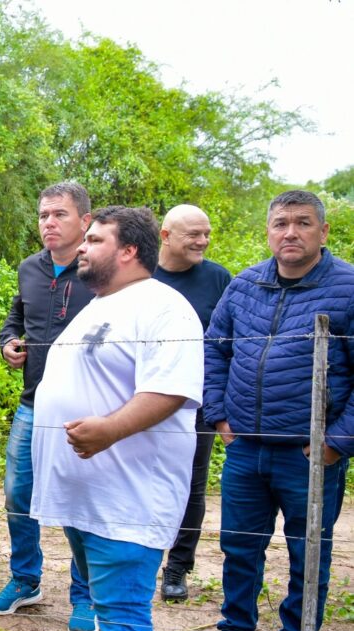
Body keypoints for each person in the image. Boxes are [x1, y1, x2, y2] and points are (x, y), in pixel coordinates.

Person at [32, 206, 203, 631]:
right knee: (108, 606)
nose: (82, 247)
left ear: (128, 250)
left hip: (128, 494)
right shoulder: (101, 305)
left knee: (125, 609)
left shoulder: (164, 308)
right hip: (85, 494)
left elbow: (170, 390)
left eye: (95, 239)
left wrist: (108, 430)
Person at [184, 190, 354, 631]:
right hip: (245, 450)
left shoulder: (348, 289)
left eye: (303, 223)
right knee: (239, 547)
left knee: (308, 556)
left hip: (309, 454)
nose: (291, 233)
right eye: (281, 223)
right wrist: (218, 415)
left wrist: (336, 442)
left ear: (323, 232)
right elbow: (214, 351)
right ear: (268, 231)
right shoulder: (245, 285)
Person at [0, 181, 98, 631]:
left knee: (78, 503)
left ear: (85, 221)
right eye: (43, 215)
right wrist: (7, 343)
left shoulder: (101, 271)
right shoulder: (29, 269)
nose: (49, 223)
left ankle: (86, 595)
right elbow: (16, 319)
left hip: (85, 409)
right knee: (18, 495)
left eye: (59, 214)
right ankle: (25, 580)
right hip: (33, 402)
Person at [152, 205, 231, 601]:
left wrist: (220, 405)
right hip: (140, 399)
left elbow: (227, 347)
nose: (202, 241)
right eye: (192, 235)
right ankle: (143, 555)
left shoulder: (218, 279)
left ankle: (178, 567)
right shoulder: (139, 274)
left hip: (193, 401)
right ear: (165, 236)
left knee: (192, 484)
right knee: (139, 476)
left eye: (206, 234)